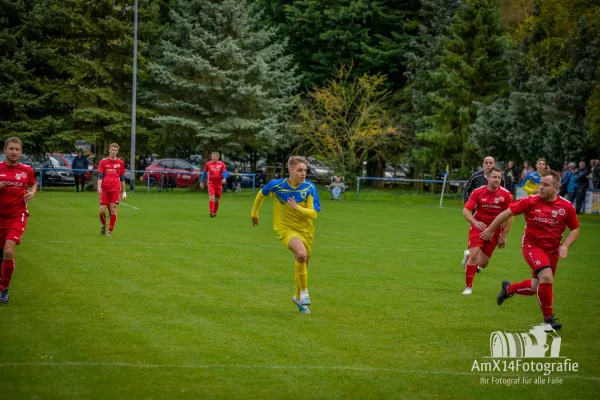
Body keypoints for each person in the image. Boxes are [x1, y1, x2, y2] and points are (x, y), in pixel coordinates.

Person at [481, 169, 580, 331]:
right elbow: (505, 214)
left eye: (545, 185)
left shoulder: (566, 207)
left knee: (536, 287)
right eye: (540, 184)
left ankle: (508, 289)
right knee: (546, 277)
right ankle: (548, 320)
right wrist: (492, 230)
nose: (541, 187)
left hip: (552, 250)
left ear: (556, 188)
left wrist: (565, 245)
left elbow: (575, 229)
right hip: (532, 246)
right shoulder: (531, 201)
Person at [250, 156, 321, 314]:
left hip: (306, 230)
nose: (303, 174)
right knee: (301, 254)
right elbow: (261, 194)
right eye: (300, 170)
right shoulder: (277, 185)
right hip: (285, 228)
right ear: (290, 170)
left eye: (305, 170)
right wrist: (254, 213)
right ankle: (304, 292)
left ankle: (297, 297)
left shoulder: (310, 187)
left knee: (303, 262)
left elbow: (313, 214)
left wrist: (298, 209)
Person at [461, 167, 514, 294]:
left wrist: (503, 235)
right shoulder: (478, 192)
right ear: (488, 178)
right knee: (475, 255)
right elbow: (465, 211)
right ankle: (468, 287)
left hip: (494, 231)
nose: (497, 180)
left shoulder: (506, 195)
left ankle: (467, 257)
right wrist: (475, 222)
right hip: (478, 228)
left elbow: (510, 215)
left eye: (499, 178)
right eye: (494, 177)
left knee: (483, 264)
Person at [0, 137, 36, 303]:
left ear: (21, 152)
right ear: (5, 150)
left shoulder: (26, 170)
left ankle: (3, 289)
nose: (14, 152)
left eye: (17, 149)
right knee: (2, 254)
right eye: (11, 149)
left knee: (8, 251)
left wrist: (32, 192)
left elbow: (32, 184)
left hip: (17, 215)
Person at [461, 156, 504, 269]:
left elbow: (502, 194)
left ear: (494, 165)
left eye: (491, 163)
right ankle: (473, 257)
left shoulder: (499, 179)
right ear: (483, 164)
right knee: (477, 241)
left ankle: (471, 257)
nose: (488, 165)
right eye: (486, 163)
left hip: (493, 218)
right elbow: (467, 189)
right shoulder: (476, 177)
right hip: (478, 214)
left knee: (483, 262)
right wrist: (468, 203)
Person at [97, 143, 127, 237]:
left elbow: (122, 178)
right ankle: (104, 224)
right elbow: (100, 176)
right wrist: (99, 187)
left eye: (115, 150)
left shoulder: (120, 163)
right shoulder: (103, 162)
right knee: (102, 211)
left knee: (113, 208)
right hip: (105, 189)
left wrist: (124, 191)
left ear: (117, 152)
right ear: (109, 150)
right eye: (112, 150)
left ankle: (110, 231)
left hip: (115, 189)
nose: (114, 152)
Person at [200, 152, 227, 217]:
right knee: (211, 197)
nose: (213, 158)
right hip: (211, 183)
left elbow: (224, 172)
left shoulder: (222, 164)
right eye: (212, 156)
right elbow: (204, 173)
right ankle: (211, 212)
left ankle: (214, 212)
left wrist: (224, 178)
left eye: (214, 156)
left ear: (218, 157)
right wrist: (201, 181)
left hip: (218, 184)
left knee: (217, 199)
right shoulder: (208, 164)